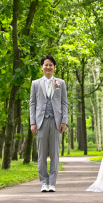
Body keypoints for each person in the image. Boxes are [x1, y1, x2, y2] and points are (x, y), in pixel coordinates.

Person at [29, 55, 68, 192]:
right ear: (41, 67)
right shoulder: (35, 83)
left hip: (56, 122)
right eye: (46, 65)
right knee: (42, 154)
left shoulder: (60, 83)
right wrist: (32, 122)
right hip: (41, 122)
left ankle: (52, 183)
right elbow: (32, 104)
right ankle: (43, 183)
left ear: (54, 67)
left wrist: (64, 121)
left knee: (55, 154)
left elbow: (64, 103)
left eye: (51, 65)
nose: (48, 67)